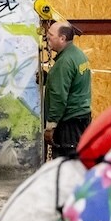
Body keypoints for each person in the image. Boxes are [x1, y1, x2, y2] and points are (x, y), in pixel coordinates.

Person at [44, 23, 93, 158]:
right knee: (78, 158)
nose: (47, 39)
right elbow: (71, 84)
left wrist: (50, 126)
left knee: (67, 161)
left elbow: (59, 97)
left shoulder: (64, 62)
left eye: (51, 36)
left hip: (69, 123)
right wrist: (49, 79)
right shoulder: (78, 55)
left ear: (62, 38)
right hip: (82, 117)